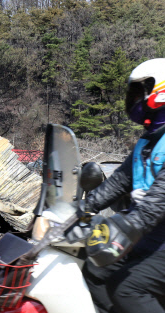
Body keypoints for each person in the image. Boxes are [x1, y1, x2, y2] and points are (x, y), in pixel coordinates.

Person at [81, 58, 165, 313]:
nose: (135, 98)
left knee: (128, 288)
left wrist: (125, 224)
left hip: (159, 238)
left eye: (141, 90)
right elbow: (118, 182)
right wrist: (82, 207)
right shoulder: (149, 140)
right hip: (151, 237)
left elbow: (157, 201)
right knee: (95, 269)